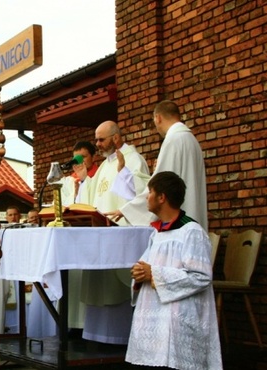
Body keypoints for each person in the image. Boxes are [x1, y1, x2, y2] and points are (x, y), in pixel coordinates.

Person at [125, 171, 222, 369]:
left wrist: (154, 274)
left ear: (162, 197)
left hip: (178, 317)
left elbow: (201, 277)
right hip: (153, 317)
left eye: (150, 192)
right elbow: (145, 267)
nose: (146, 197)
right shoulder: (157, 233)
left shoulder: (192, 231)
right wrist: (138, 274)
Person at [74, 120, 150, 345]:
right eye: (96, 139)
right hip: (102, 234)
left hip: (120, 235)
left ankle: (121, 339)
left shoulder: (132, 159)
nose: (97, 144)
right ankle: (97, 339)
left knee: (115, 289)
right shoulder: (107, 164)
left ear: (116, 138)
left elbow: (143, 194)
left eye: (101, 139)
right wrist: (85, 179)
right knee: (100, 285)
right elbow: (92, 198)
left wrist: (126, 176)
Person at [110, 100, 209, 231]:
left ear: (158, 118)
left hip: (179, 224)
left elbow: (160, 184)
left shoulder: (172, 141)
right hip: (193, 217)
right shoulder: (192, 140)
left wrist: (128, 210)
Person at [62, 141, 100, 207]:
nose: (80, 161)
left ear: (93, 157)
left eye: (83, 157)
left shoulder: (100, 176)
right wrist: (75, 195)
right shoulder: (68, 181)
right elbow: (60, 204)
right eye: (76, 158)